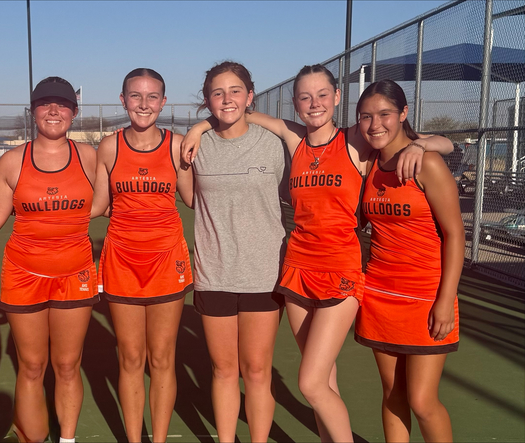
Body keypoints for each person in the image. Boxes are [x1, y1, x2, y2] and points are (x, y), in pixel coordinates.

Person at [183, 64, 454, 441]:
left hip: (341, 270)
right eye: (305, 97)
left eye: (323, 95)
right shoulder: (294, 139)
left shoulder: (356, 139)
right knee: (324, 382)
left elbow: (442, 141)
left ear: (338, 97)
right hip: (297, 270)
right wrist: (198, 127)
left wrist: (422, 144)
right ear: (294, 104)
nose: (314, 104)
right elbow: (242, 112)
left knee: (310, 383)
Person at [0, 77, 98, 443]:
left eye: (62, 104)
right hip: (23, 274)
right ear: (32, 112)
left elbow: (104, 204)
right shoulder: (13, 162)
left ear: (74, 113)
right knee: (32, 366)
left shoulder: (91, 157)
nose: (53, 111)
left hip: (75, 273)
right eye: (45, 103)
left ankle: (67, 439)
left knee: (67, 365)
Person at [184, 61, 289, 443]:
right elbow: (187, 197)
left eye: (235, 91)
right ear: (207, 99)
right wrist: (197, 128)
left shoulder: (274, 142)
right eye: (217, 92)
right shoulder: (196, 146)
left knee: (258, 371)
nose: (226, 99)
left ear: (249, 96)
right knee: (223, 370)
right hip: (215, 275)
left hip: (264, 273)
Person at [89, 68, 192, 443]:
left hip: (167, 261)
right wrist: (42, 208)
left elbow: (196, 198)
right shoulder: (110, 146)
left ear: (163, 102)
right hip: (122, 263)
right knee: (130, 359)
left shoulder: (178, 145)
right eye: (135, 96)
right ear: (123, 99)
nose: (144, 104)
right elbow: (100, 204)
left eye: (152, 97)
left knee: (162, 358)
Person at [355, 80, 461, 442]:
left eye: (385, 114)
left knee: (421, 400)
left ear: (403, 114)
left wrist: (445, 301)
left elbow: (455, 235)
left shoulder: (426, 163)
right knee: (392, 394)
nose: (375, 125)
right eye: (366, 117)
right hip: (380, 295)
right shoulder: (368, 164)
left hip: (426, 296)